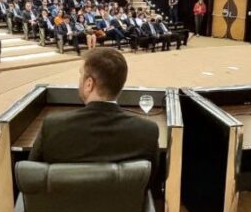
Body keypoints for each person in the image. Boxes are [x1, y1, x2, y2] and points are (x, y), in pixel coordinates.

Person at [29, 48, 159, 175]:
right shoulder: (148, 132)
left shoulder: (53, 127)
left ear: (89, 84)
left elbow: (33, 178)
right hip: (122, 197)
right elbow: (153, 184)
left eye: (81, 75)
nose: (80, 80)